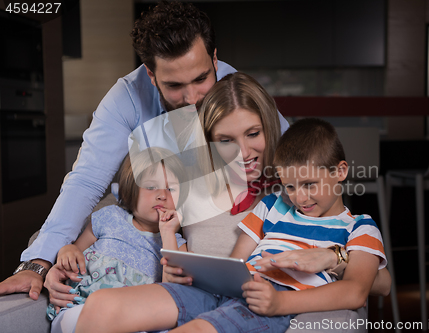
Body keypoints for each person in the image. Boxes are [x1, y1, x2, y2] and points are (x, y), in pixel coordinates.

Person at [0, 0, 289, 300]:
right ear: (151, 76)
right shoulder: (125, 98)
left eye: (201, 79)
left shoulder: (233, 87)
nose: (192, 98)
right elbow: (86, 181)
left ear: (214, 60)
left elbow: (290, 153)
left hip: (220, 204)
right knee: (55, 244)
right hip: (146, 205)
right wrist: (37, 263)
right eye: (175, 85)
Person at [72, 74, 390, 333]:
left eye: (253, 133)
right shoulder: (187, 183)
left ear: (270, 126)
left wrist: (334, 258)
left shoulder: (296, 188)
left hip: (261, 301)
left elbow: (379, 283)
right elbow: (124, 206)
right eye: (226, 140)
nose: (243, 152)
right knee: (102, 307)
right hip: (207, 293)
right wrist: (59, 253)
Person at [47, 146, 188, 333]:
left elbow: (173, 295)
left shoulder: (177, 245)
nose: (162, 195)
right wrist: (67, 250)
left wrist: (168, 233)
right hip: (80, 309)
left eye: (171, 189)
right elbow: (74, 251)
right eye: (151, 186)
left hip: (134, 320)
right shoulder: (109, 217)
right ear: (131, 189)